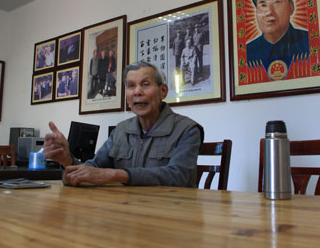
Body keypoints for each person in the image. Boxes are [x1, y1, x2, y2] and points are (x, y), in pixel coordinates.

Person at [43, 61, 204, 187]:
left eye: (145, 84)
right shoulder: (121, 130)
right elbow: (94, 168)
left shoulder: (187, 129)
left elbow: (179, 176)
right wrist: (67, 161)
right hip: (125, 213)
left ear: (163, 91)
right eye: (131, 86)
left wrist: (116, 175)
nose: (137, 92)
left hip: (173, 215)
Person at [246, 0, 309, 79]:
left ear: (291, 7)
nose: (269, 12)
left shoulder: (309, 42)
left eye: (276, 2)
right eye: (263, 5)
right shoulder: (248, 52)